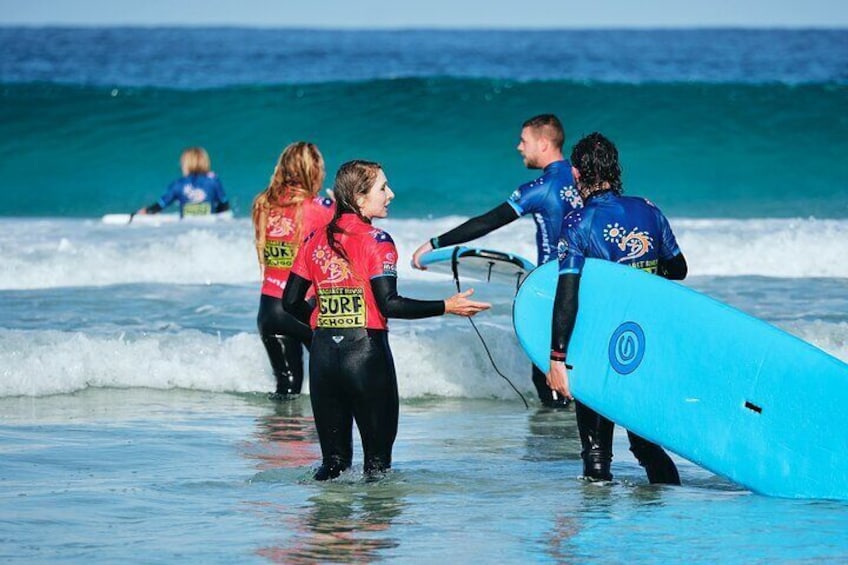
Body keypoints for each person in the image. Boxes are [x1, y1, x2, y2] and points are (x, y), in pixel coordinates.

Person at [283, 160, 491, 480]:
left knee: (333, 464)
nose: (390, 194)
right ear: (360, 197)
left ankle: (324, 527)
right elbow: (390, 304)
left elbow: (290, 301)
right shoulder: (376, 240)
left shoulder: (313, 239)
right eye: (383, 187)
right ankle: (375, 531)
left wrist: (322, 322)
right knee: (377, 469)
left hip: (323, 357)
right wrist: (446, 306)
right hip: (365, 358)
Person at [411, 114, 582, 407]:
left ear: (543, 143)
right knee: (575, 366)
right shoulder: (584, 178)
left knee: (545, 376)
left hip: (550, 289)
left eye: (524, 140)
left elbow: (488, 222)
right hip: (585, 283)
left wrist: (435, 243)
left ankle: (557, 445)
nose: (518, 147)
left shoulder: (540, 188)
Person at [547, 132, 688, 484]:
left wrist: (557, 359)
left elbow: (567, 294)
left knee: (596, 455)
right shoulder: (649, 210)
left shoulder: (579, 222)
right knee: (645, 445)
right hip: (644, 343)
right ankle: (670, 513)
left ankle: (597, 533)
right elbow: (679, 269)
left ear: (577, 174)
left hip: (597, 345)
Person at [251, 142, 334, 399]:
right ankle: (323, 436)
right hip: (303, 309)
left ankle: (281, 435)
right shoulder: (321, 208)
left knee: (287, 387)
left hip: (269, 310)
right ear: (314, 170)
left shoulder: (263, 205)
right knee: (332, 383)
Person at [136, 147, 230, 217]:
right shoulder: (213, 181)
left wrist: (146, 211)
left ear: (186, 164)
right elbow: (224, 206)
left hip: (186, 229)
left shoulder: (178, 184)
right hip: (208, 229)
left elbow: (161, 205)